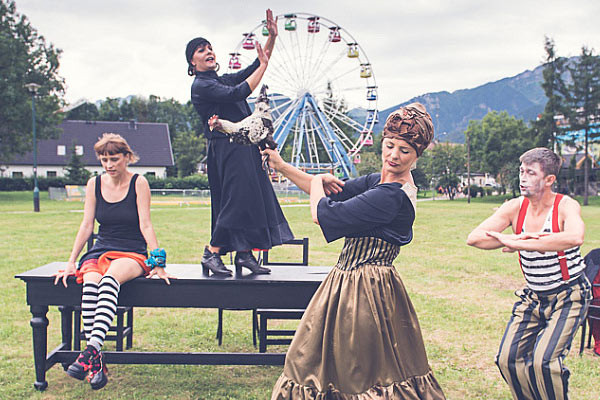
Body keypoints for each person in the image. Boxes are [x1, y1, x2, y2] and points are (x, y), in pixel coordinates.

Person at [265, 103, 446, 399]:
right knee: (319, 361)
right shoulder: (379, 181)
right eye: (389, 145)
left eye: (404, 150)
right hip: (350, 282)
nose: (393, 155)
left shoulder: (391, 196)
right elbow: (328, 191)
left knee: (356, 369)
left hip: (365, 291)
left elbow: (324, 213)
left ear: (416, 157)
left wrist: (318, 181)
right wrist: (281, 166)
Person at [467, 147, 591, 400]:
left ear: (549, 179)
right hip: (533, 297)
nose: (523, 178)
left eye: (531, 173)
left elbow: (575, 237)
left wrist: (523, 242)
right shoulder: (515, 207)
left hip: (570, 295)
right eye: (521, 171)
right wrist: (514, 239)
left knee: (543, 362)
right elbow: (476, 238)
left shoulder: (565, 205)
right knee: (507, 360)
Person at [53, 133, 173, 390]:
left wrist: (158, 262)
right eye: (104, 160)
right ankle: (95, 359)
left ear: (127, 157)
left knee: (109, 281)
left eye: (114, 159)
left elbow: (146, 224)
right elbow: (87, 225)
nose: (109, 165)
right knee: (90, 284)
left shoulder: (139, 183)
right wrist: (72, 260)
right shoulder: (94, 184)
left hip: (131, 250)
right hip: (100, 249)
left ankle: (89, 352)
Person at [186, 9, 293, 276]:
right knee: (235, 201)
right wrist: (263, 67)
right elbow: (240, 91)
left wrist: (272, 38)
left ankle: (244, 253)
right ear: (192, 62)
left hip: (242, 146)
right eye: (201, 50)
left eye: (210, 47)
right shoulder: (201, 86)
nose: (209, 51)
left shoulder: (218, 80)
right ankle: (212, 252)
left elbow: (255, 65)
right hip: (226, 148)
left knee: (249, 199)